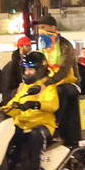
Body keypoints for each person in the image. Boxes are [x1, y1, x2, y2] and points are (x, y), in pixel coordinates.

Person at [1, 52, 60, 170]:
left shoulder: (47, 86)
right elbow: (15, 103)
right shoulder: (25, 87)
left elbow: (53, 104)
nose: (27, 72)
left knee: (35, 135)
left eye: (30, 69)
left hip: (43, 125)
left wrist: (36, 104)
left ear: (39, 70)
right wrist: (3, 109)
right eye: (26, 69)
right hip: (22, 124)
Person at [35, 15, 81, 145]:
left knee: (61, 93)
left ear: (52, 28)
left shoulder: (65, 45)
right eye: (39, 28)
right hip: (51, 82)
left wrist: (47, 83)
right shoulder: (44, 45)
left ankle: (57, 128)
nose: (40, 31)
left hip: (68, 83)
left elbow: (64, 70)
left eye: (43, 27)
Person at [1, 37, 33, 103]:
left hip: (22, 98)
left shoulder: (25, 62)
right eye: (27, 45)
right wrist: (16, 92)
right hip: (13, 100)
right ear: (20, 47)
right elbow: (6, 86)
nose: (30, 47)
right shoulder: (13, 65)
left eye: (30, 45)